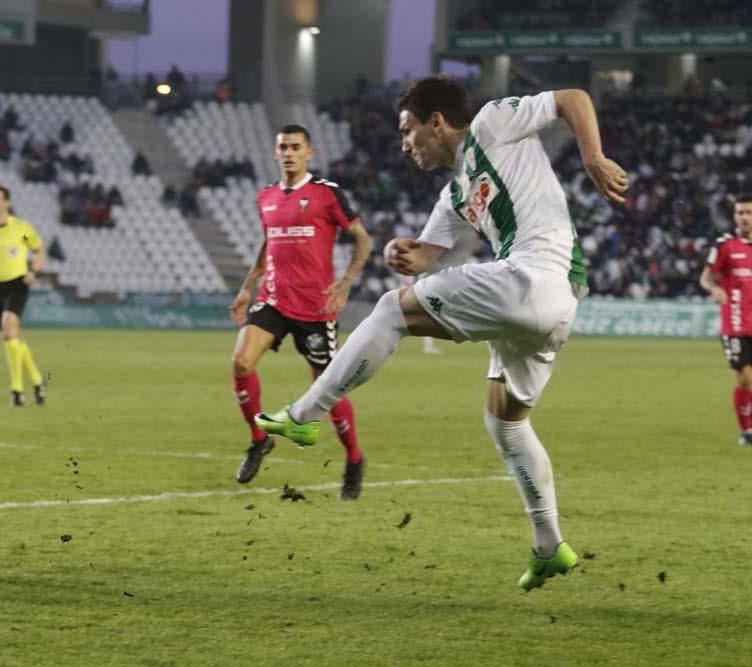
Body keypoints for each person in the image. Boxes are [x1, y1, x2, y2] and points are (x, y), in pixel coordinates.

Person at [256, 77, 629, 590]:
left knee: (390, 311)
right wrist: (399, 251)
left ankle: (304, 415)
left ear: (436, 123)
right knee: (507, 424)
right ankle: (549, 547)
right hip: (555, 304)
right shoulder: (455, 194)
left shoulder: (494, 123)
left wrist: (592, 156)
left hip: (534, 277)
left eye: (408, 130)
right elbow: (424, 253)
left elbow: (573, 100)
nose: (404, 143)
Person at [230, 124, 373, 499]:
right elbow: (268, 243)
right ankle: (259, 440)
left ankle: (354, 458)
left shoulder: (327, 195)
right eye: (283, 147)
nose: (289, 152)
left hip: (316, 308)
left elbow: (363, 239)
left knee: (326, 389)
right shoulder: (266, 198)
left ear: (309, 152)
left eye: (296, 146)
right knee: (241, 363)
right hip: (274, 298)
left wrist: (345, 283)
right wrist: (248, 286)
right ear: (275, 153)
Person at [0, 184, 46, 407]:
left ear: (7, 202)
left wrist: (33, 271)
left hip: (17, 283)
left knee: (8, 329)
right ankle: (37, 380)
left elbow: (40, 250)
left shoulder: (22, 228)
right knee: (13, 337)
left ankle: (17, 391)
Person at [699, 194, 752, 445]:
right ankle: (746, 431)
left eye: (748, 213)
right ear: (734, 216)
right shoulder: (725, 246)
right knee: (744, 378)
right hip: (736, 325)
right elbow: (706, 278)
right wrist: (715, 289)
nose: (744, 218)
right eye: (740, 213)